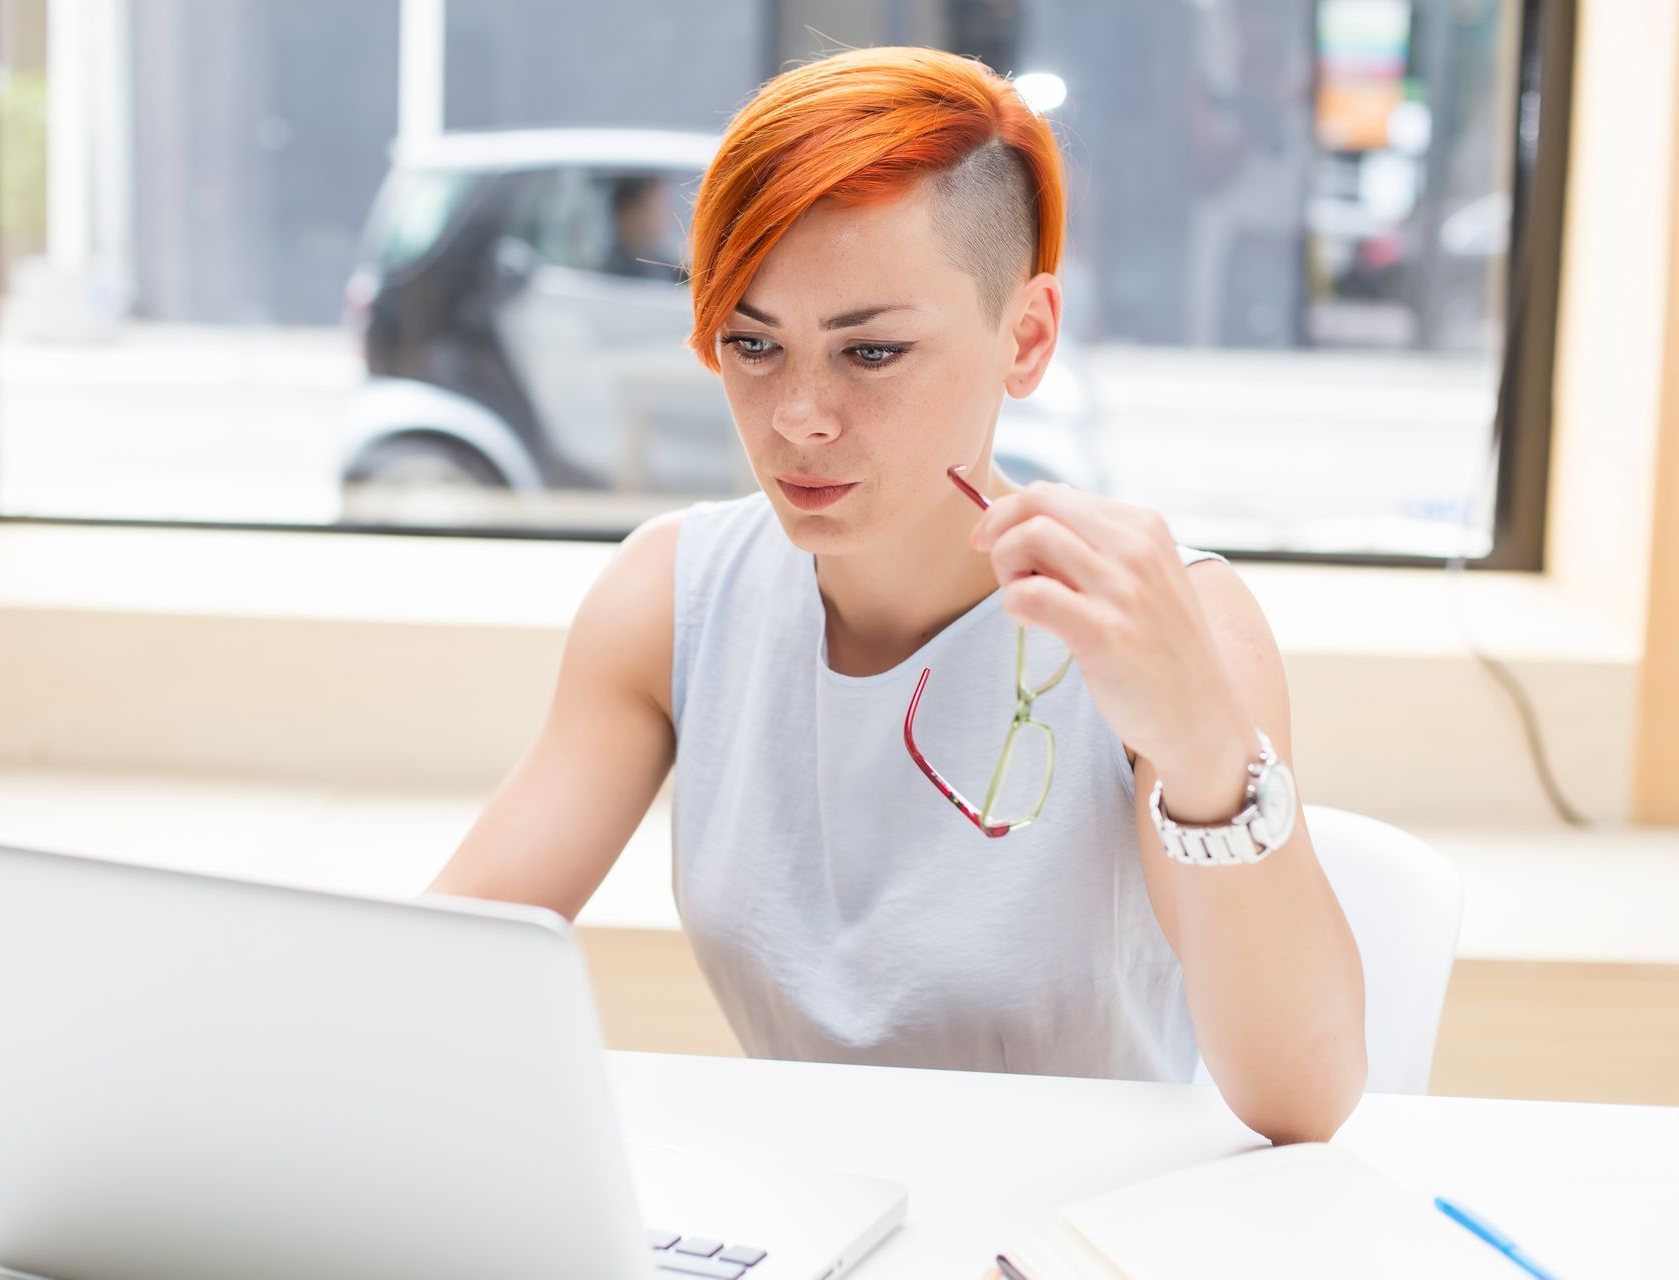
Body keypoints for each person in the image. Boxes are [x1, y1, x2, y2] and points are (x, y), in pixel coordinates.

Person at [429, 47, 1365, 1157]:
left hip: (1070, 1234)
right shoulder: (672, 596)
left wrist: (1209, 749)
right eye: (752, 343)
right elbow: (451, 955)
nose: (801, 418)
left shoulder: (1165, 618)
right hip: (806, 1224)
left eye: (871, 350)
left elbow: (1302, 1099)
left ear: (1026, 337)